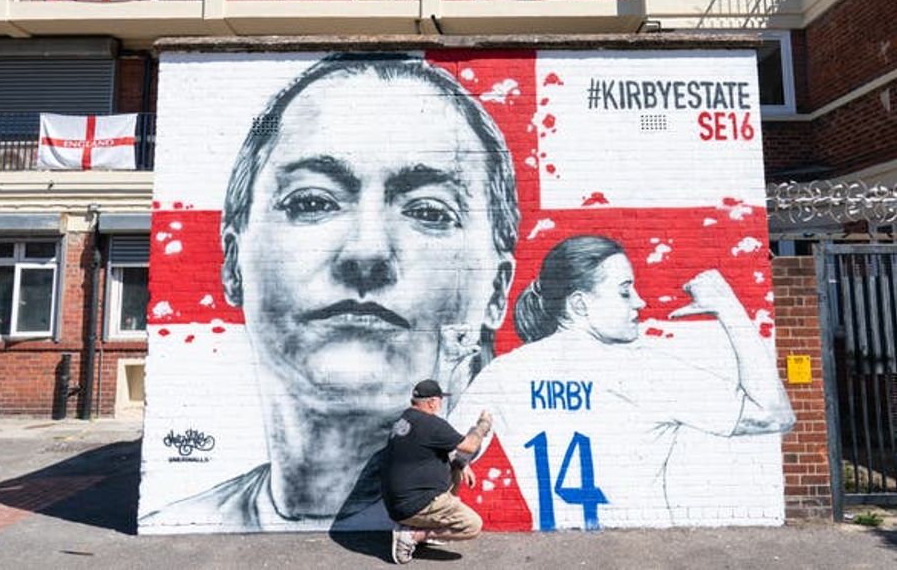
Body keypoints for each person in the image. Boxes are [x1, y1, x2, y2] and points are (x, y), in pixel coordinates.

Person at [140, 54, 520, 531]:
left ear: (497, 289)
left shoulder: (531, 489)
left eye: (429, 211)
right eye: (312, 202)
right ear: (234, 263)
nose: (366, 252)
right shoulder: (181, 519)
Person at [450, 235, 795, 530]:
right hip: (639, 551)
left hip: (552, 549)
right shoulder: (643, 370)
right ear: (580, 305)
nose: (640, 302)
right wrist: (729, 308)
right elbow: (774, 416)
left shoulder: (505, 372)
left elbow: (448, 452)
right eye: (625, 292)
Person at [382, 380, 492, 564]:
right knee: (473, 526)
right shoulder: (431, 424)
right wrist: (482, 425)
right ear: (432, 402)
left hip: (399, 504)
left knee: (456, 466)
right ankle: (412, 535)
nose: (440, 405)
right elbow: (470, 445)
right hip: (417, 504)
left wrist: (461, 464)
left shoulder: (406, 419)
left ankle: (418, 525)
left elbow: (430, 449)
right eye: (440, 401)